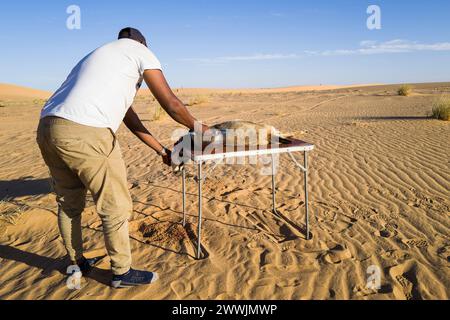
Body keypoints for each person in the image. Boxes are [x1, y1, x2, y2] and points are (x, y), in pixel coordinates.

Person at [36, 27, 208, 288]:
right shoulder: (141, 52)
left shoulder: (100, 56)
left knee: (69, 203)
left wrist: (161, 151)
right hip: (87, 132)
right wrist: (204, 130)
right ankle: (121, 272)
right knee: (115, 205)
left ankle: (76, 262)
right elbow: (171, 104)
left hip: (48, 129)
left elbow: (130, 118)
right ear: (143, 44)